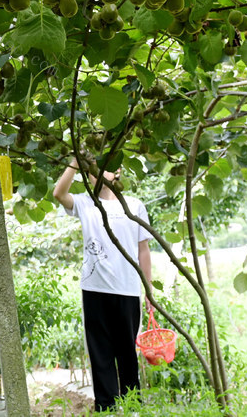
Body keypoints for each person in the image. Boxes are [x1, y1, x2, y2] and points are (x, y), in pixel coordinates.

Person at [52, 157, 152, 413]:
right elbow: (58, 193)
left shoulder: (135, 206)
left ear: (117, 170)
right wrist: (75, 162)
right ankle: (105, 408)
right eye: (91, 169)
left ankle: (132, 407)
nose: (95, 173)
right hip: (94, 290)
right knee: (101, 355)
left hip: (128, 290)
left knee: (128, 354)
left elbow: (143, 251)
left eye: (102, 167)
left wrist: (148, 290)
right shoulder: (86, 203)